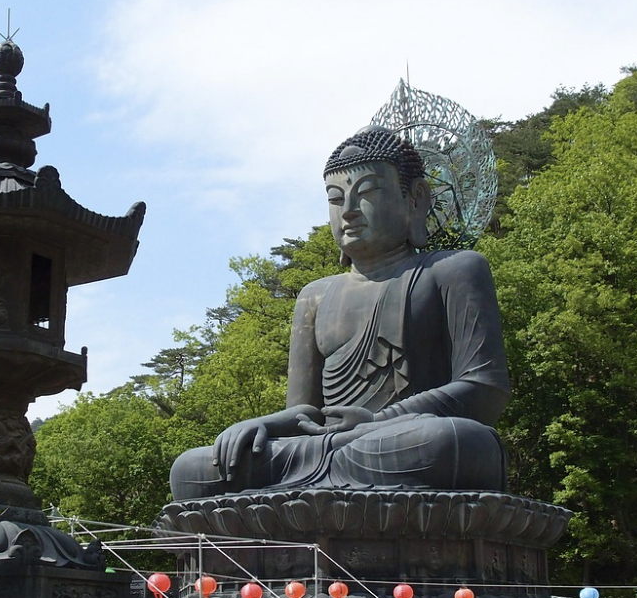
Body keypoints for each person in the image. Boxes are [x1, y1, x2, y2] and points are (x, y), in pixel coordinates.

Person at [168, 126, 510, 500]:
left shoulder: (454, 270)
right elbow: (305, 413)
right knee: (192, 469)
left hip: (402, 442)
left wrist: (376, 422)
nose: (347, 211)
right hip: (324, 450)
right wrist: (260, 425)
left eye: (366, 193)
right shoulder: (316, 295)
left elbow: (484, 390)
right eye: (335, 198)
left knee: (452, 442)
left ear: (416, 199)